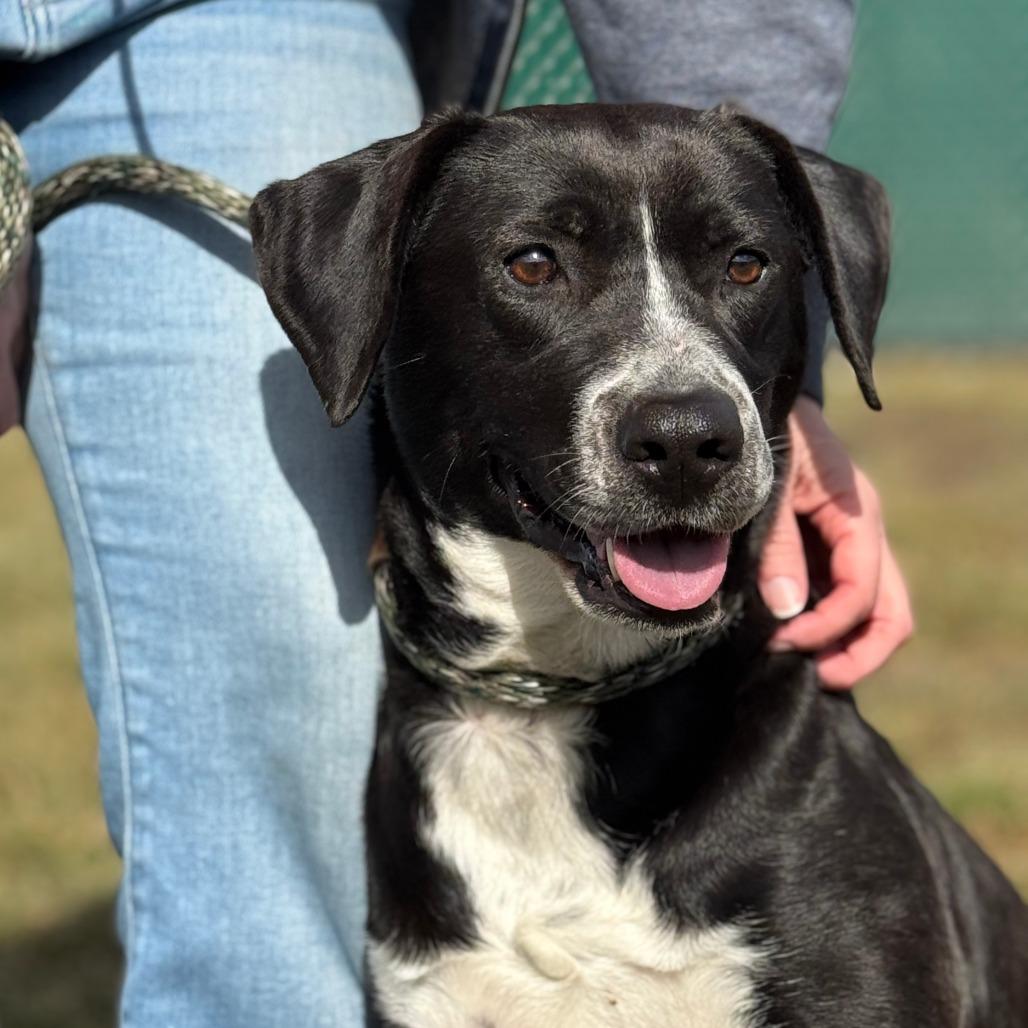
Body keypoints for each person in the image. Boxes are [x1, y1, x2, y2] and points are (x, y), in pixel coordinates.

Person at [0, 1, 913, 1023]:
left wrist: (795, 400)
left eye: (739, 265)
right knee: (265, 664)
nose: (682, 409)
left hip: (217, 18)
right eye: (535, 267)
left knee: (278, 640)